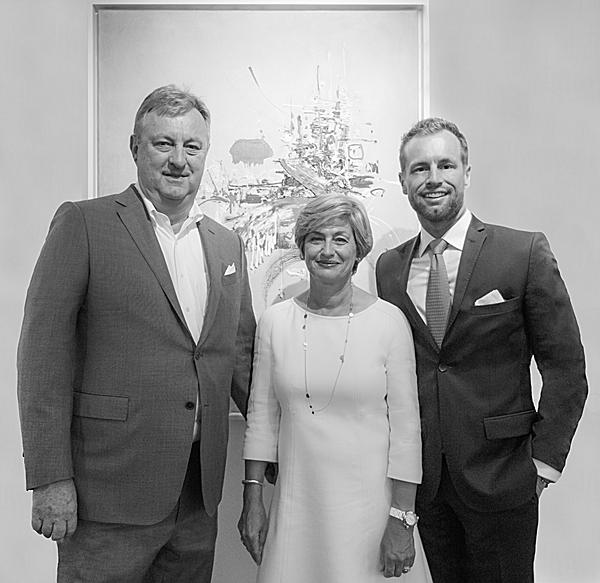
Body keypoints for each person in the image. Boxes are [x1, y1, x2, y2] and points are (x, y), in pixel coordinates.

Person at [17, 85, 256, 582]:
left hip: (197, 495)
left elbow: (240, 358)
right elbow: (42, 358)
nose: (178, 160)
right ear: (135, 147)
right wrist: (50, 477)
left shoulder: (226, 244)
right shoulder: (84, 223)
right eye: (163, 143)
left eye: (192, 146)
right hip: (107, 494)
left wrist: (294, 436)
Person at [376, 117, 588, 583]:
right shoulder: (388, 270)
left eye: (446, 165)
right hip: (427, 483)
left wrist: (543, 463)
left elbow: (566, 366)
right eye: (419, 168)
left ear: (467, 173)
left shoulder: (522, 252)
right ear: (403, 181)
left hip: (504, 476)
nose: (433, 178)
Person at [238, 194, 432, 582]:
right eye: (316, 238)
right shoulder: (275, 321)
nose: (328, 250)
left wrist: (402, 518)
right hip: (297, 510)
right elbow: (261, 420)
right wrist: (252, 497)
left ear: (358, 249)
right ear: (302, 247)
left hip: (371, 514)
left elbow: (407, 433)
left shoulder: (389, 322)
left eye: (340, 239)